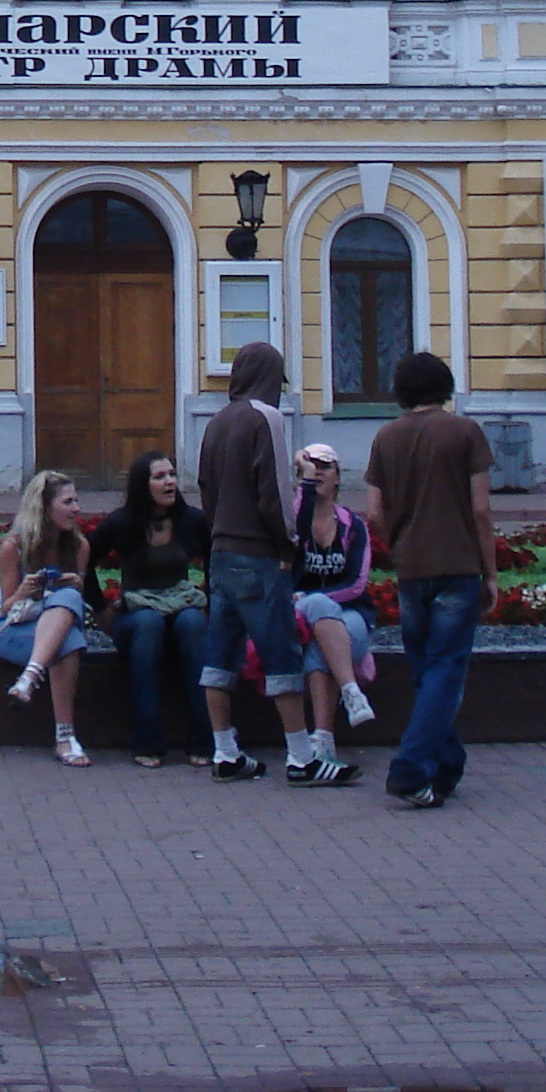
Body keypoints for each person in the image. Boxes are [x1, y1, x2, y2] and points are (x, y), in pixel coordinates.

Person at [196, 342, 355, 786]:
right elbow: (275, 495)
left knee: (219, 657)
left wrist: (219, 531)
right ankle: (302, 758)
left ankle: (225, 751)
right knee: (281, 654)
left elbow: (206, 487)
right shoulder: (266, 418)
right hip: (261, 556)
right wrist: (288, 543)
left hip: (221, 551)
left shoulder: (216, 421)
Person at [364, 350, 498, 810]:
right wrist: (490, 572)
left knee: (426, 670)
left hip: (411, 569)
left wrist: (398, 545)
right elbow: (480, 510)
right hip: (457, 566)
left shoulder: (386, 437)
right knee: (444, 669)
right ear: (445, 386)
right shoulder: (464, 432)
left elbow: (374, 512)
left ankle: (447, 765)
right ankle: (410, 768)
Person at [88, 449, 213, 768]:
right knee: (148, 625)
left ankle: (204, 741)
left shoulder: (192, 520)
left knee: (194, 624)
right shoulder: (122, 522)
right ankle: (148, 742)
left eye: (171, 474)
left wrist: (211, 597)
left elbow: (217, 559)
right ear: (143, 485)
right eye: (159, 477)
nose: (169, 481)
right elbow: (84, 558)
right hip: (137, 613)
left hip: (181, 606)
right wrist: (101, 609)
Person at [0, 467, 93, 766]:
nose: (76, 509)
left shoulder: (78, 546)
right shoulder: (14, 546)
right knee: (69, 642)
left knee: (70, 601)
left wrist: (76, 584)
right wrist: (24, 590)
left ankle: (29, 679)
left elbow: (75, 607)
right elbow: (7, 607)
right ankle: (66, 738)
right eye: (68, 502)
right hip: (12, 627)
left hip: (54, 624)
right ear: (45, 508)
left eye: (76, 501)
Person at [288, 442, 379, 762]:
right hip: (298, 609)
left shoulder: (353, 526)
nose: (319, 473)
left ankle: (323, 741)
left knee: (319, 645)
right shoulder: (294, 522)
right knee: (316, 609)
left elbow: (356, 585)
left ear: (339, 477)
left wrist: (317, 599)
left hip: (350, 614)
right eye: (310, 468)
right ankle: (351, 692)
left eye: (325, 467)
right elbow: (297, 521)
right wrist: (306, 481)